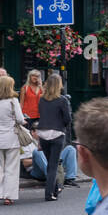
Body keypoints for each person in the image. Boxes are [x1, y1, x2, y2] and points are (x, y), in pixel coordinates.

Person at [0, 75, 25, 205]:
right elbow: (20, 119)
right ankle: (9, 196)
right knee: (11, 168)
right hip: (11, 137)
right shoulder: (13, 100)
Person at [35, 72, 72, 201]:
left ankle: (55, 189)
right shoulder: (63, 100)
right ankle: (49, 193)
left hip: (43, 133)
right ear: (59, 85)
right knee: (53, 166)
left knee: (50, 164)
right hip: (57, 133)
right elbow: (68, 119)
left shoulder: (41, 99)